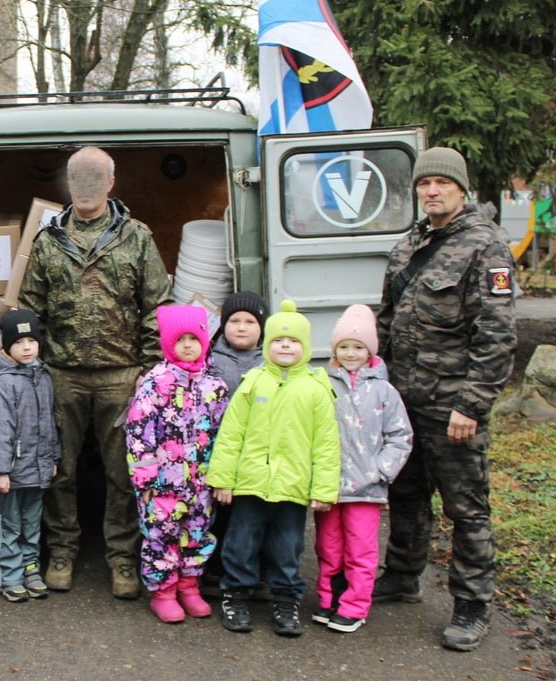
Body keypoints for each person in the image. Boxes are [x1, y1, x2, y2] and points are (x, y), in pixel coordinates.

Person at [374, 146, 517, 651]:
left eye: (442, 184)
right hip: (405, 401)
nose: (431, 191)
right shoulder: (408, 244)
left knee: (466, 507)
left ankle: (472, 604)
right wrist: (379, 386)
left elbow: (496, 336)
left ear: (461, 188)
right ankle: (403, 575)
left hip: (452, 406)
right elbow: (387, 321)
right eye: (423, 184)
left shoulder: (486, 247)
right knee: (405, 494)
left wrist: (472, 405)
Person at [18, 145, 172, 599]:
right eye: (77, 178)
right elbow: (31, 308)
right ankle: (62, 551)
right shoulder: (48, 240)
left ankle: (123, 558)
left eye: (94, 178)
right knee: (59, 470)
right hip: (62, 373)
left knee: (122, 472)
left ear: (110, 182)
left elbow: (156, 305)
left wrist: (147, 369)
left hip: (121, 375)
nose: (85, 187)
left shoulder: (136, 236)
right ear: (68, 184)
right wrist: (36, 365)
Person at [207, 300, 340, 637]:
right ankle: (235, 596)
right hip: (250, 484)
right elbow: (231, 434)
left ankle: (285, 602)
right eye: (279, 340)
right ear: (267, 345)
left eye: (293, 341)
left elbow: (326, 445)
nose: (285, 346)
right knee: (239, 545)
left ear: (305, 347)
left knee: (286, 549)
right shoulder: (253, 382)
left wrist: (324, 489)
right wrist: (223, 479)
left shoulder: (316, 389)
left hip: (292, 488)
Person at [125, 304, 228, 623]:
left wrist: (221, 474)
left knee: (197, 533)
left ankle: (189, 585)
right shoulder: (155, 384)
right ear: (168, 343)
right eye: (179, 339)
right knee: (162, 536)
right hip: (162, 486)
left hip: (201, 483)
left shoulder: (215, 387)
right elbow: (138, 433)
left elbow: (225, 435)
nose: (187, 345)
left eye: (193, 338)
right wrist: (145, 481)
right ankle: (164, 591)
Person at [314, 304, 412, 634]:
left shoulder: (384, 391)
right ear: (334, 350)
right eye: (344, 347)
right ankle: (330, 599)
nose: (351, 353)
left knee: (360, 549)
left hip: (366, 489)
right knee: (328, 546)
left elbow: (400, 436)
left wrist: (381, 470)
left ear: (369, 350)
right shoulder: (322, 385)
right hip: (329, 485)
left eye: (358, 347)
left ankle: (355, 605)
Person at [0, 308, 60, 603]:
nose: (26, 347)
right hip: (13, 471)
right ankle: (9, 574)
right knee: (8, 524)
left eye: (31, 340)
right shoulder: (6, 381)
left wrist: (53, 458)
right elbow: (0, 429)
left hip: (39, 468)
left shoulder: (43, 378)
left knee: (32, 524)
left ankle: (31, 569)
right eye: (18, 342)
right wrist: (1, 470)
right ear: (6, 346)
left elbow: (51, 423)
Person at [204, 290, 267, 592]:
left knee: (254, 513)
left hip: (257, 450)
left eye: (250, 321)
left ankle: (258, 570)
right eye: (234, 320)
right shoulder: (210, 358)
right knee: (219, 513)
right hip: (218, 450)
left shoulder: (270, 360)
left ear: (262, 328)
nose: (241, 327)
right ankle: (214, 570)